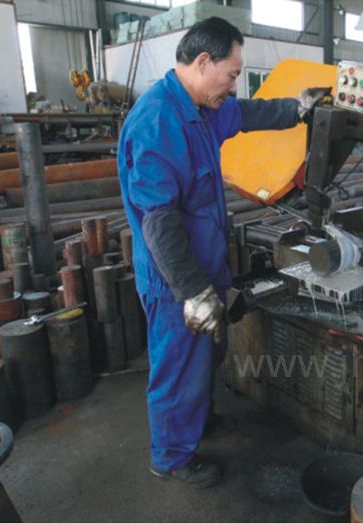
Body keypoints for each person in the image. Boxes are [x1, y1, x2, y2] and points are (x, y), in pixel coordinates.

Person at [117, 16, 326, 489]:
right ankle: (171, 457)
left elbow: (246, 114)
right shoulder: (157, 122)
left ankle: (198, 421)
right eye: (231, 74)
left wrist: (296, 109)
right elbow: (158, 220)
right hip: (175, 280)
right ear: (203, 62)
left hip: (207, 265)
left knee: (204, 360)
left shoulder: (203, 108)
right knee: (177, 369)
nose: (233, 86)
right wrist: (193, 292)